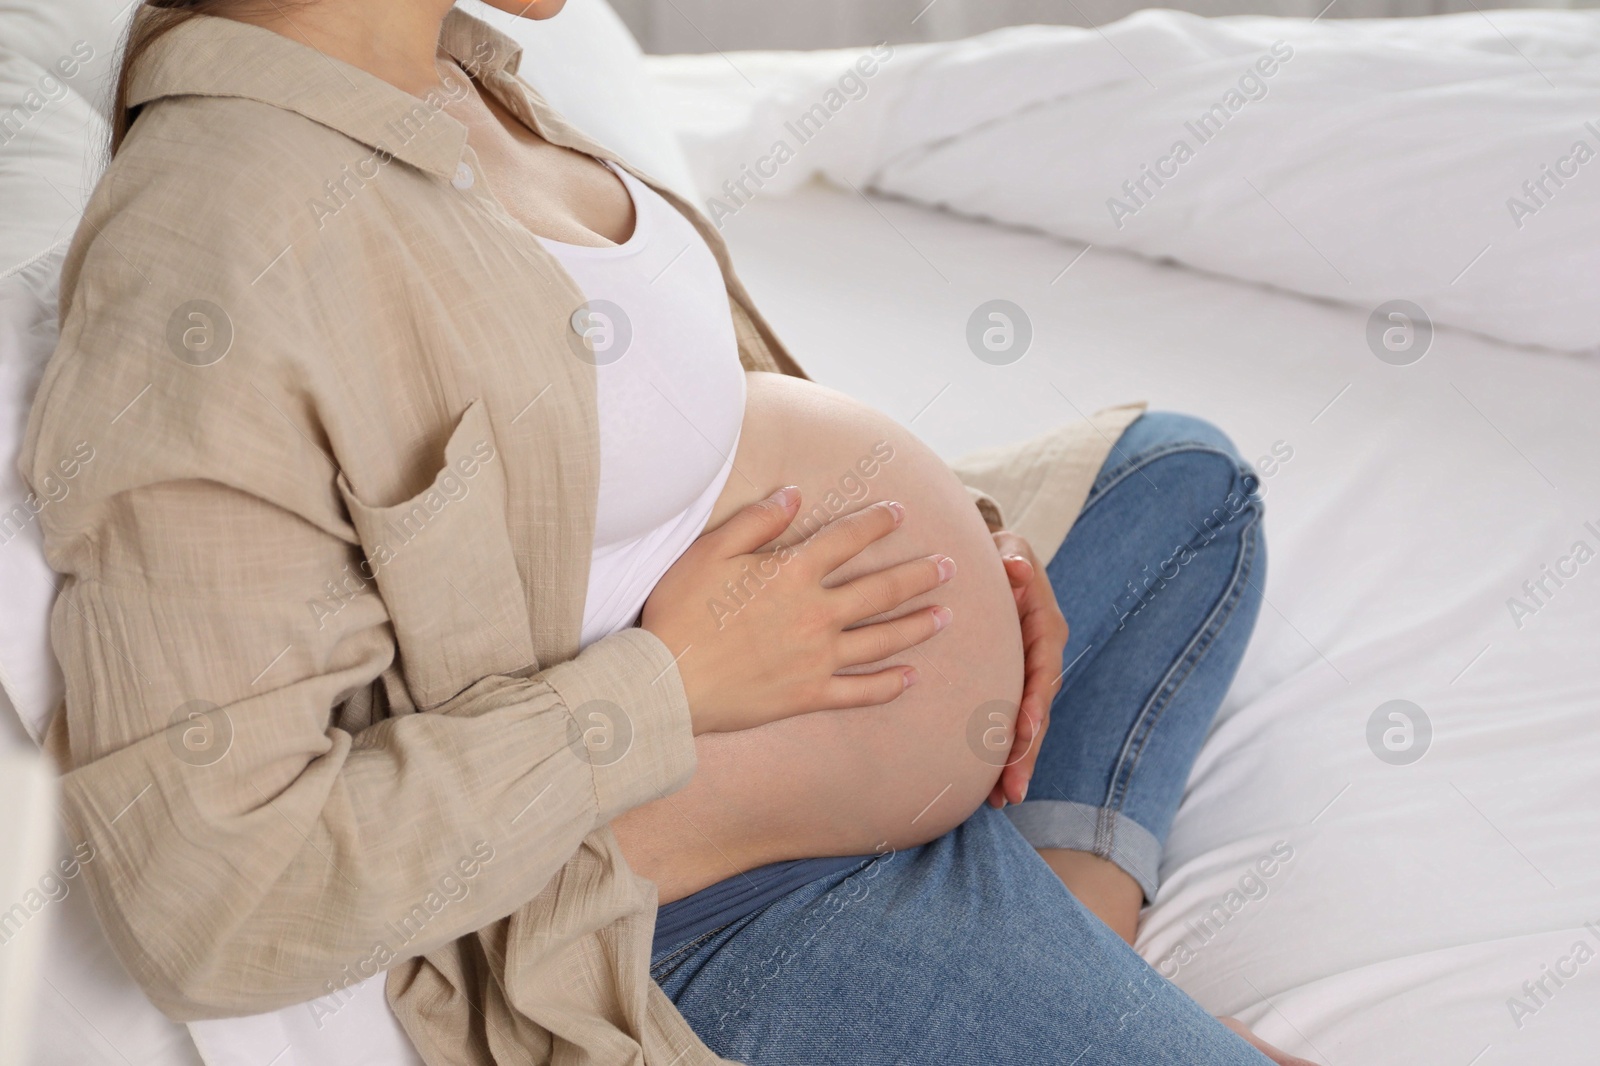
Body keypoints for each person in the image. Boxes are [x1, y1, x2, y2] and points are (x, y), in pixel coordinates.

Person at [22, 0, 1307, 1062]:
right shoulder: (219, 248)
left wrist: (961, 551)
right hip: (703, 902)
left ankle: (1050, 925)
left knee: (1181, 485)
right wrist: (670, 687)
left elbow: (685, 411)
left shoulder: (448, 65)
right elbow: (208, 898)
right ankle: (1014, 927)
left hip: (811, 713)